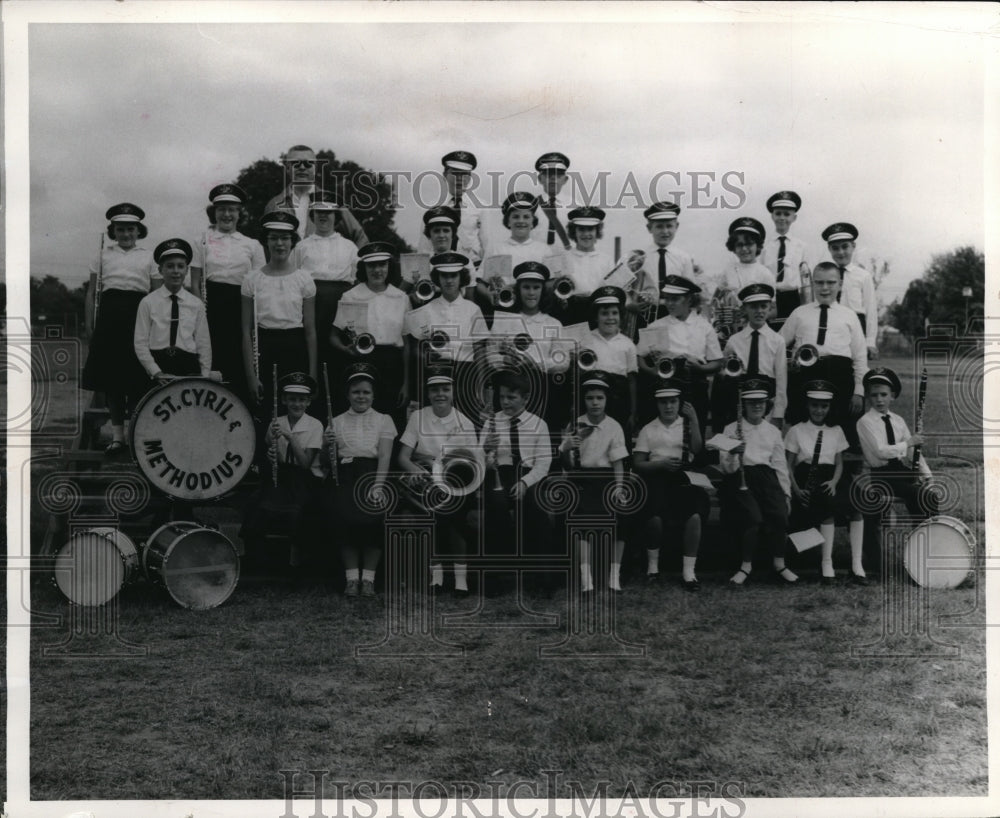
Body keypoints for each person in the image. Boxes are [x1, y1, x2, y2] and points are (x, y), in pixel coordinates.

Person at [81, 202, 159, 455]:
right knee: (113, 380)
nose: (126, 234)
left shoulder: (149, 256)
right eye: (121, 229)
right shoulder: (102, 255)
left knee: (137, 378)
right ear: (113, 231)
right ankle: (117, 436)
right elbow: (92, 292)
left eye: (131, 229)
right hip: (110, 317)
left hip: (139, 314)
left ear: (139, 231)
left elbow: (157, 294)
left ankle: (136, 432)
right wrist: (90, 325)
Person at [397, 365, 482, 597]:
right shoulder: (418, 416)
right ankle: (436, 578)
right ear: (428, 393)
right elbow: (403, 457)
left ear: (453, 391)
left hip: (454, 484)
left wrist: (440, 467)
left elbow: (472, 463)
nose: (440, 394)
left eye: (445, 389)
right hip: (424, 482)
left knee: (454, 518)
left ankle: (460, 581)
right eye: (435, 390)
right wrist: (416, 470)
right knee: (431, 517)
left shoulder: (464, 421)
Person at [241, 211, 317, 449]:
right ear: (266, 241)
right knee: (264, 412)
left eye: (285, 238)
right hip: (264, 348)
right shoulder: (252, 279)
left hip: (295, 349)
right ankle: (266, 476)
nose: (279, 243)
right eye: (274, 238)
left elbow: (311, 331)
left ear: (293, 242)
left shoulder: (304, 279)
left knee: (293, 411)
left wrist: (312, 374)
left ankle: (291, 474)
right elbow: (245, 331)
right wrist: (251, 377)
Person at [856, 367, 938, 582]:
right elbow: (880, 451)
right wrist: (908, 442)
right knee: (916, 494)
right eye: (874, 395)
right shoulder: (865, 422)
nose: (879, 399)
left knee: (928, 497)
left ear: (892, 396)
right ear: (868, 396)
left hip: (900, 472)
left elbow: (912, 453)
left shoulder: (898, 420)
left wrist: (927, 474)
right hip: (882, 475)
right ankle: (889, 563)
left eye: (884, 394)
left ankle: (922, 556)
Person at [474, 370, 553, 595]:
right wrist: (486, 450)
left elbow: (543, 463)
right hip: (500, 473)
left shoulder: (539, 424)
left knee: (537, 511)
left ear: (525, 399)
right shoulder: (491, 423)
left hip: (529, 475)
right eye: (502, 397)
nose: (505, 402)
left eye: (511, 397)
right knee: (495, 509)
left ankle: (543, 580)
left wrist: (525, 483)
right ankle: (493, 581)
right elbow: (479, 461)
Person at [240, 372, 324, 576]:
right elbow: (275, 456)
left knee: (297, 511)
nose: (297, 404)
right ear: (284, 400)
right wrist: (272, 454)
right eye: (292, 399)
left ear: (308, 402)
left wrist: (289, 436)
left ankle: (295, 563)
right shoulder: (276, 421)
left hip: (303, 479)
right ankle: (258, 560)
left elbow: (305, 463)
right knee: (255, 505)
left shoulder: (315, 425)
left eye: (302, 400)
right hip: (281, 475)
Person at [324, 363, 397, 598]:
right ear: (348, 394)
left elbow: (385, 455)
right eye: (356, 392)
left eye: (366, 392)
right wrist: (327, 443)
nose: (361, 396)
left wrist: (378, 485)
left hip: (373, 474)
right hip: (345, 475)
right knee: (345, 520)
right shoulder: (335, 421)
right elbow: (328, 460)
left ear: (373, 394)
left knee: (374, 522)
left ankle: (368, 579)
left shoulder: (384, 420)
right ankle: (351, 578)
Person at [189, 183, 264, 403]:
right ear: (214, 212)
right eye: (222, 209)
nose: (227, 214)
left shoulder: (252, 245)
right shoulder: (201, 241)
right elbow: (195, 283)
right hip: (210, 306)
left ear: (240, 213)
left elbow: (259, 285)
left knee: (239, 362)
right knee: (210, 361)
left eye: (232, 209)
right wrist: (199, 312)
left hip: (241, 305)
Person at [779, 261, 867, 447]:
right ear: (812, 283)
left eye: (831, 282)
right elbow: (777, 345)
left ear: (840, 284)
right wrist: (788, 362)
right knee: (801, 429)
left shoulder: (849, 315)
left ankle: (841, 471)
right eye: (819, 283)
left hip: (839, 378)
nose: (825, 288)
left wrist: (859, 391)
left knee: (842, 431)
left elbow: (859, 357)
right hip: (804, 376)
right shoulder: (799, 313)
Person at [716, 378, 793, 586]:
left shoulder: (774, 431)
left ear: (767, 404)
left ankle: (780, 563)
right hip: (740, 478)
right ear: (744, 405)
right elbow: (726, 468)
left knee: (779, 515)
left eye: (761, 402)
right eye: (751, 402)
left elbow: (780, 466)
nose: (757, 406)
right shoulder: (731, 429)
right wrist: (733, 453)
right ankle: (746, 565)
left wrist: (786, 494)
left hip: (767, 479)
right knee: (753, 517)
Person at [630, 378, 706, 589]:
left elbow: (698, 449)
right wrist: (661, 464)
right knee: (654, 517)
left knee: (695, 515)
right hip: (657, 477)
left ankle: (689, 572)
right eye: (664, 402)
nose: (669, 406)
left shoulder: (687, 424)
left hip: (682, 477)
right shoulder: (649, 429)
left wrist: (695, 421)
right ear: (657, 404)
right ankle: (653, 567)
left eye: (673, 401)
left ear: (679, 402)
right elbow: (638, 464)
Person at [557, 370, 629, 592]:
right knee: (580, 516)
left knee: (622, 513)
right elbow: (566, 465)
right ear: (584, 400)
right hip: (580, 478)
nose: (595, 403)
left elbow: (618, 462)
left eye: (600, 398)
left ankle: (613, 575)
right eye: (590, 398)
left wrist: (619, 488)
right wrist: (566, 447)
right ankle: (585, 577)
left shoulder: (614, 426)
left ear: (606, 400)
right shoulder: (575, 425)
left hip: (606, 478)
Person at [331, 241, 411, 430]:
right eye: (371, 265)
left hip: (393, 365)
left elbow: (407, 344)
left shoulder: (401, 297)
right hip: (362, 362)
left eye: (382, 264)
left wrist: (406, 383)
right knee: (363, 418)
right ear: (364, 267)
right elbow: (333, 336)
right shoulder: (351, 296)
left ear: (389, 267)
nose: (377, 270)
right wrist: (345, 350)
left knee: (392, 418)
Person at [290, 190, 360, 404]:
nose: (323, 216)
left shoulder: (349, 247)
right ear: (312, 215)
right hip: (311, 308)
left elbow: (356, 283)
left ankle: (340, 407)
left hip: (341, 306)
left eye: (328, 213)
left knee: (339, 357)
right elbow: (293, 280)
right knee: (312, 356)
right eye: (318, 212)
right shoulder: (302, 246)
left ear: (337, 217)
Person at [486, 261, 570, 435]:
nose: (531, 293)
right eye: (526, 287)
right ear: (518, 290)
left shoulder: (553, 323)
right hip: (508, 390)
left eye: (536, 287)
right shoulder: (504, 320)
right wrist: (505, 360)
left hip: (542, 390)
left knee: (541, 439)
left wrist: (536, 363)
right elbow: (490, 354)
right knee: (508, 440)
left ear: (542, 290)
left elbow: (563, 361)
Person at [404, 251, 487, 419]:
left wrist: (480, 386)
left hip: (465, 374)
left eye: (453, 275)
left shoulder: (473, 309)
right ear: (437, 279)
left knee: (465, 421)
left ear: (461, 278)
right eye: (444, 276)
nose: (449, 280)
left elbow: (479, 352)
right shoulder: (426, 310)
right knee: (437, 423)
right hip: (436, 373)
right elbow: (414, 349)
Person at [635, 275, 722, 436]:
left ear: (689, 299)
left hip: (695, 383)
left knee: (696, 431)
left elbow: (717, 362)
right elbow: (639, 356)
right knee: (667, 432)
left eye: (675, 299)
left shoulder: (704, 326)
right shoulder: (658, 325)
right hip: (667, 385)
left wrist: (701, 368)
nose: (669, 303)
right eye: (667, 299)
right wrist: (652, 371)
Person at [784, 379, 851, 585]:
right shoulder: (796, 430)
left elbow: (839, 464)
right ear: (807, 405)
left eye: (824, 406)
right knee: (821, 507)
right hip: (806, 477)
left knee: (845, 503)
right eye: (814, 405)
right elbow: (788, 466)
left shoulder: (836, 430)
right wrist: (796, 490)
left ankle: (829, 563)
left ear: (830, 407)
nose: (819, 410)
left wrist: (833, 482)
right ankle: (824, 562)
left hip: (830, 478)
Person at [134, 239, 212, 383]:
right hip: (157, 364)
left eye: (180, 266)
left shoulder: (196, 304)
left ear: (187, 270)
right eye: (170, 266)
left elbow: (203, 344)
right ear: (160, 270)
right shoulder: (148, 302)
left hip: (188, 365)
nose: (176, 271)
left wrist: (205, 375)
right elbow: (140, 343)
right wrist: (155, 372)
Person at [711, 283, 787, 430]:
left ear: (770, 307)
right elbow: (722, 374)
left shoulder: (778, 341)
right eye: (753, 307)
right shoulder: (734, 340)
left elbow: (782, 381)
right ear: (744, 309)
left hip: (765, 400)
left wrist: (778, 414)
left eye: (763, 306)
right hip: (739, 399)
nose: (759, 311)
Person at [265, 144, 368, 244]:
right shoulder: (274, 205)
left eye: (308, 163)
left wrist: (353, 261)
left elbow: (360, 236)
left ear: (315, 169)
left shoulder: (331, 202)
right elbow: (266, 246)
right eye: (295, 163)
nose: (301, 167)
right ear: (287, 168)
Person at [477, 192, 548, 320]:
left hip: (535, 311)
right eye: (515, 217)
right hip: (504, 310)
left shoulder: (544, 250)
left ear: (533, 222)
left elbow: (551, 284)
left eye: (526, 217)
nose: (521, 221)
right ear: (508, 222)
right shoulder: (496, 248)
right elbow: (481, 283)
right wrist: (489, 294)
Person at [630, 201, 703, 323]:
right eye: (659, 226)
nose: (665, 231)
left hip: (675, 313)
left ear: (677, 226)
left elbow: (690, 293)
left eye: (669, 226)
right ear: (649, 228)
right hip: (646, 313)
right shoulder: (640, 257)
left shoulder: (683, 258)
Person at [581, 286, 638, 437]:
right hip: (593, 397)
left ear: (621, 316)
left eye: (615, 313)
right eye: (604, 314)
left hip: (619, 400)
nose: (610, 318)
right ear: (596, 317)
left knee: (616, 438)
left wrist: (633, 413)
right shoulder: (586, 340)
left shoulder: (628, 344)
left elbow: (631, 380)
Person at [712, 217, 776, 340]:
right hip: (732, 333)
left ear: (758, 246)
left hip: (757, 331)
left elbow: (774, 312)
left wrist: (749, 315)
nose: (744, 249)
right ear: (733, 248)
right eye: (739, 245)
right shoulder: (728, 271)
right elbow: (715, 301)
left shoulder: (765, 273)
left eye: (749, 244)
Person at [821, 222, 878, 359]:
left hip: (855, 330)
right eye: (835, 248)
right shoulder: (824, 275)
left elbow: (871, 310)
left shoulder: (863, 276)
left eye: (845, 247)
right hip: (830, 327)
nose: (840, 252)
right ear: (829, 249)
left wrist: (870, 341)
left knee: (855, 370)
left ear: (853, 246)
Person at [419, 150, 484, 264]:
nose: (460, 179)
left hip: (473, 266)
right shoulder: (432, 207)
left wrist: (481, 278)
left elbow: (488, 245)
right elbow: (424, 246)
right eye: (455, 173)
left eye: (465, 174)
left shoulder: (481, 207)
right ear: (445, 175)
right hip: (441, 268)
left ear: (470, 178)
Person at [554, 206, 615, 327]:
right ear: (574, 231)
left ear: (597, 231)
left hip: (598, 313)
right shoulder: (563, 258)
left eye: (590, 229)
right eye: (581, 229)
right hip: (570, 313)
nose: (586, 234)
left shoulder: (606, 260)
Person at [760, 190, 812, 325]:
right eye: (778, 213)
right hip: (770, 298)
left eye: (787, 214)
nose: (782, 218)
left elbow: (807, 280)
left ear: (794, 217)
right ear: (772, 216)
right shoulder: (764, 247)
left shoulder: (802, 246)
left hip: (794, 298)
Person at [531, 151, 573, 250]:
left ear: (565, 179)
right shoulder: (531, 206)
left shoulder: (574, 207)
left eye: (558, 175)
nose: (553, 178)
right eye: (548, 174)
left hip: (565, 259)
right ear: (540, 179)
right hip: (537, 260)